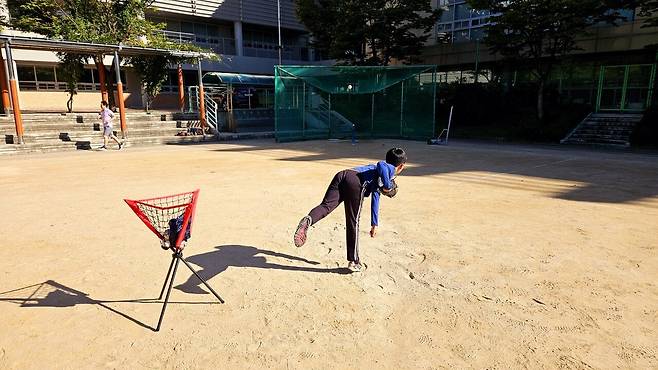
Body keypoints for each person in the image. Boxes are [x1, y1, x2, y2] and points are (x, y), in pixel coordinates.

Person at [294, 147, 407, 272]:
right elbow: (381, 164)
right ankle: (354, 261)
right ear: (401, 166)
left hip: (343, 174)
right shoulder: (389, 169)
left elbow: (376, 197)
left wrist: (374, 224)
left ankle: (308, 220)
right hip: (356, 182)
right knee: (353, 221)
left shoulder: (380, 174)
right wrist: (387, 185)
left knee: (326, 206)